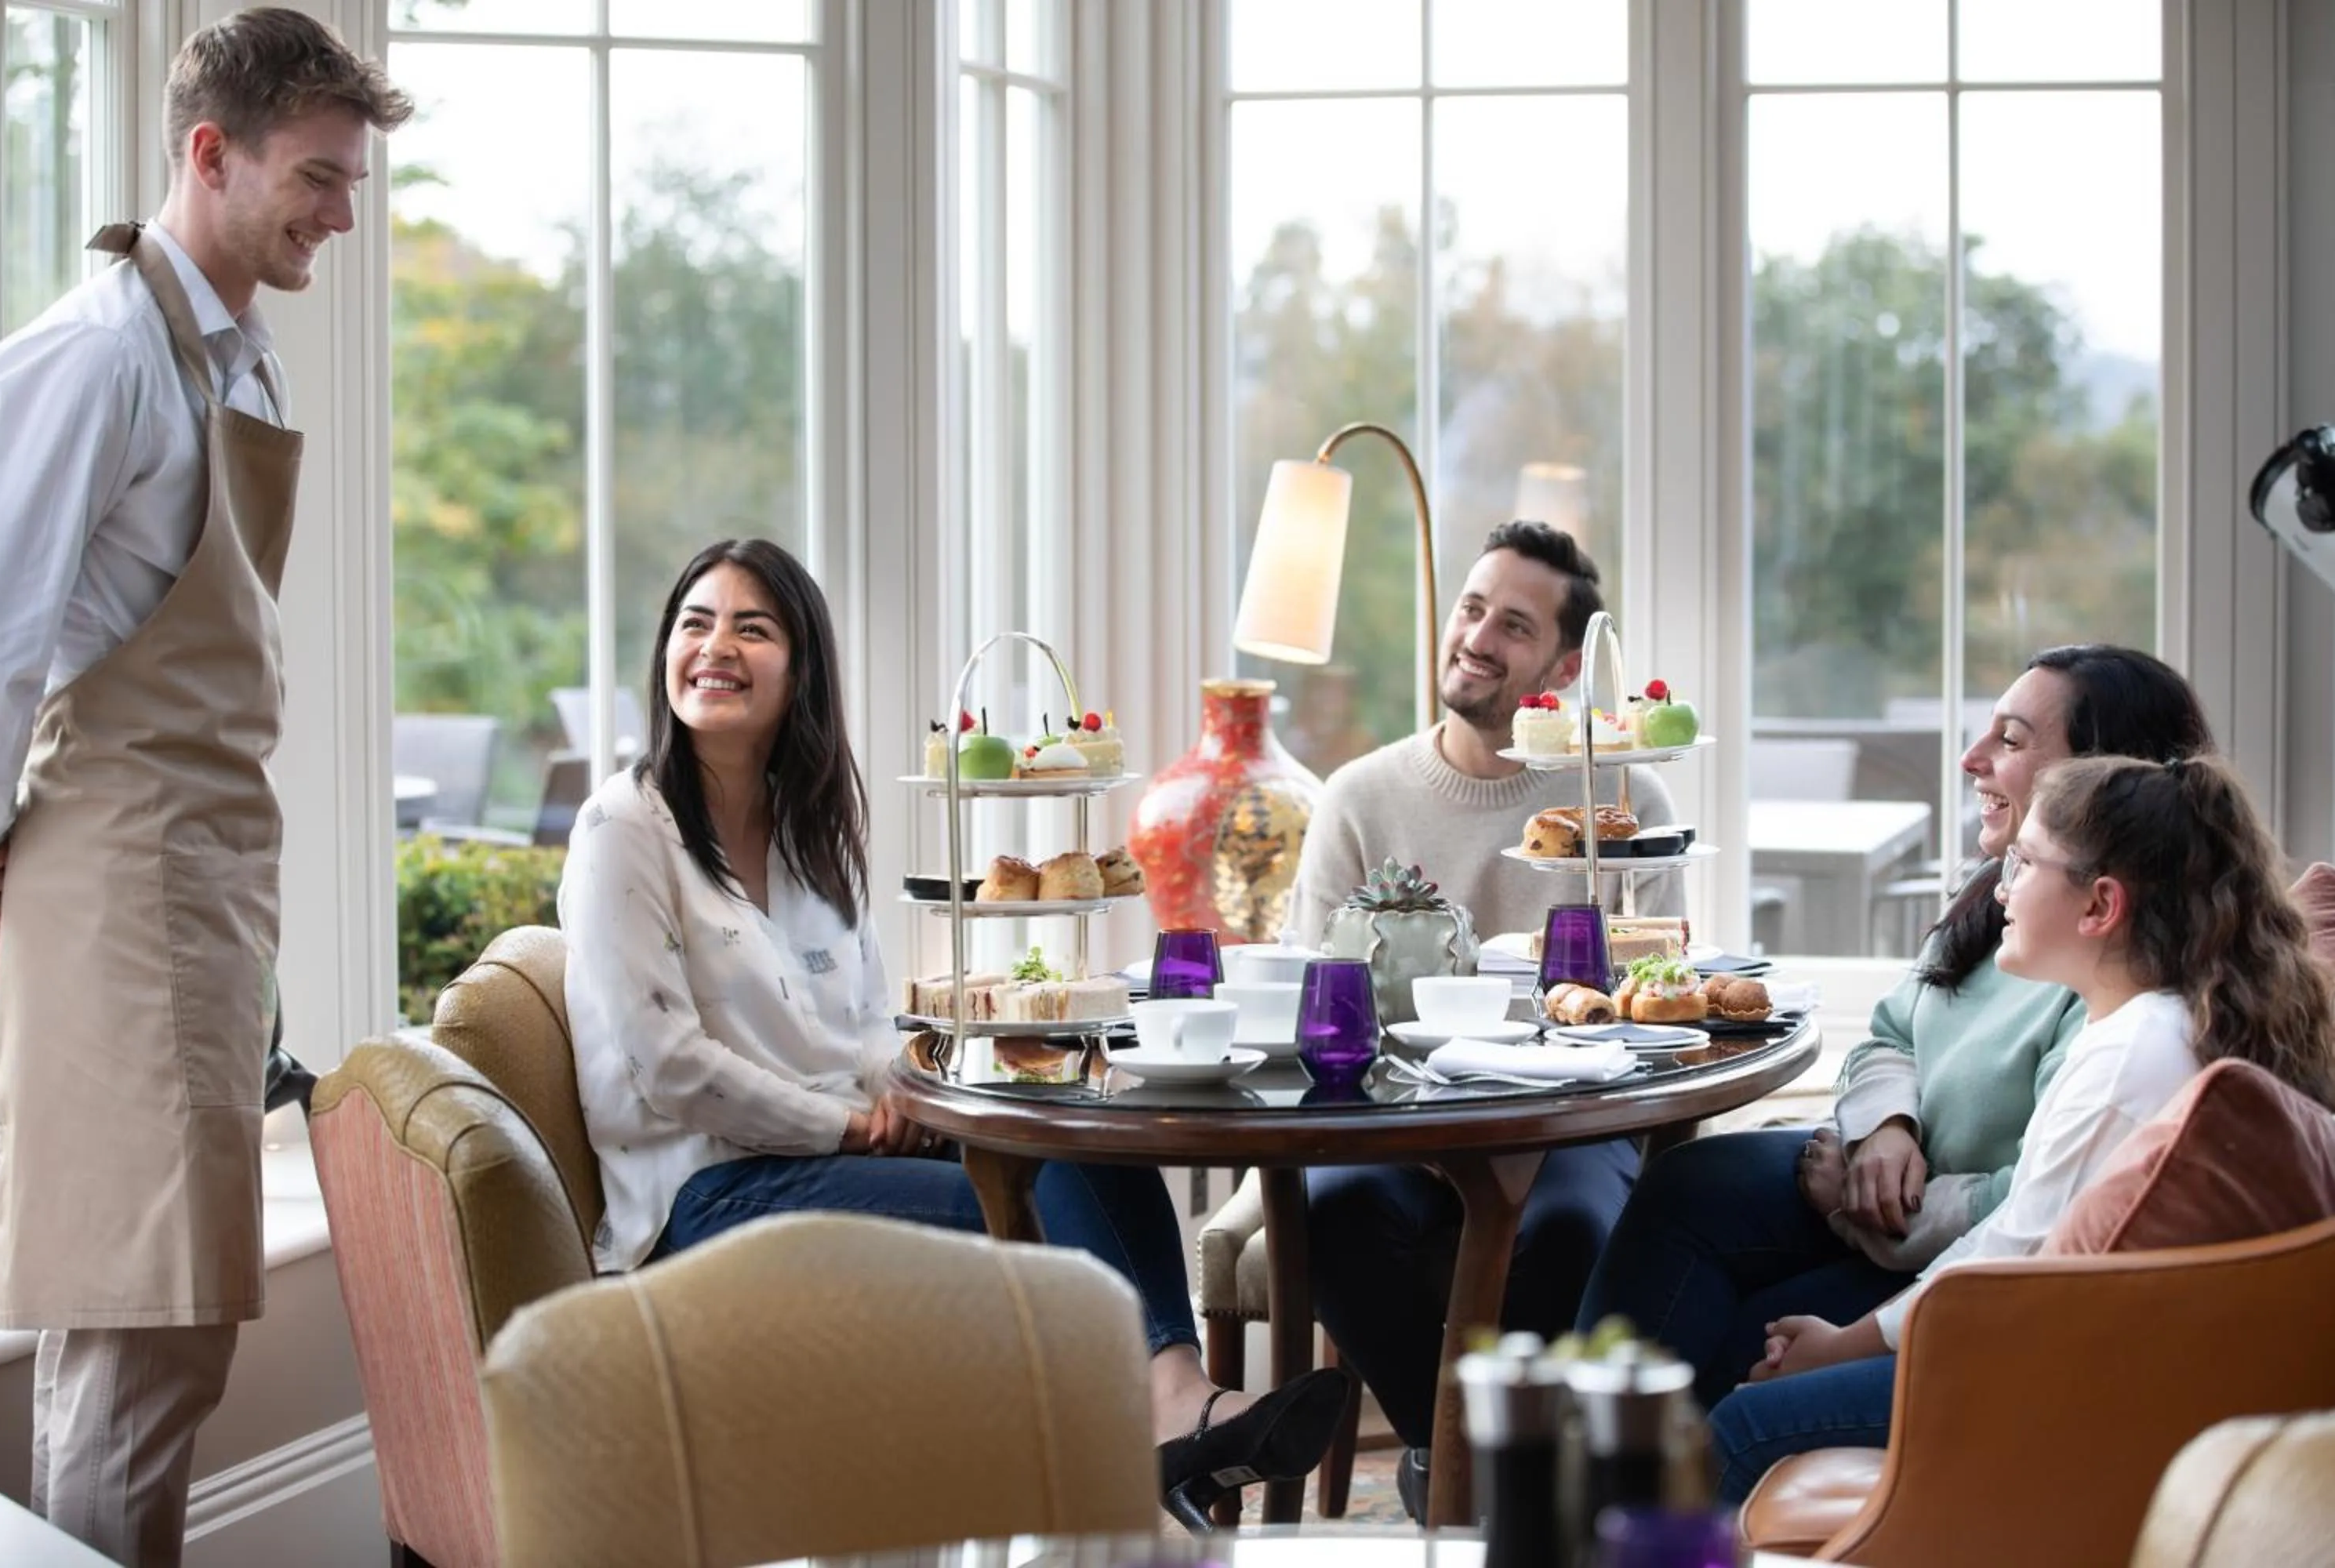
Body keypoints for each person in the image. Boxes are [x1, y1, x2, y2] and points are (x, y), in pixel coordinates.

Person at [559, 539, 1351, 1531]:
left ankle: (1173, 1410)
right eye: (696, 623)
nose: (717, 647)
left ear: (799, 670)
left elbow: (868, 1028)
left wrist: (911, 1097)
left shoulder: (810, 835)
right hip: (704, 1198)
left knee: (1075, 1141)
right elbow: (667, 1067)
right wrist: (849, 1125)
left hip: (824, 1165)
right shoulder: (622, 829)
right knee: (1033, 1227)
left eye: (752, 628)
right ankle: (1152, 1466)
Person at [0, 13, 409, 1564]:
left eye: (353, 184)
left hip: (201, 891)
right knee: (133, 1337)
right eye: (316, 178)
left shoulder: (231, 352)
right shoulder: (96, 355)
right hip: (118, 893)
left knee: (168, 1341)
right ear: (207, 153)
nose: (341, 215)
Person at [1576, 646, 2214, 1417]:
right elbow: (1889, 1030)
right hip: (1891, 1181)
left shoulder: (2109, 969)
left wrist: (1861, 1205)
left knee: (1745, 1340)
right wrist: (1885, 1126)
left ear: (2108, 776)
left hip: (1935, 1231)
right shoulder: (1999, 893)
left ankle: (1630, 1496)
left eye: (2011, 741)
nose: (1972, 760)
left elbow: (2037, 1208)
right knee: (1687, 1184)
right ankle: (1569, 1472)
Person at [1703, 751, 2335, 1501]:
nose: (2000, 887)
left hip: (2063, 1389)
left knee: (1741, 1431)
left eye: (2026, 863)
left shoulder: (2134, 1057)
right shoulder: (2155, 1023)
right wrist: (1849, 1342)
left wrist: (1843, 1346)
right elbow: (2013, 1232)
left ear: (2100, 906)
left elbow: (2009, 1256)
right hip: (2079, 1358)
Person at [1289, 521, 1677, 1521]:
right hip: (1390, 1115)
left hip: (1572, 1120)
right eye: (1471, 608)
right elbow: (1311, 994)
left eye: (1514, 624)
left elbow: (1653, 990)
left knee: (1569, 1230)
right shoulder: (1361, 796)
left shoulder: (1623, 792)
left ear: (1561, 663)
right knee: (1331, 1216)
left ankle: (1476, 1484)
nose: (1477, 636)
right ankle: (1470, 1472)